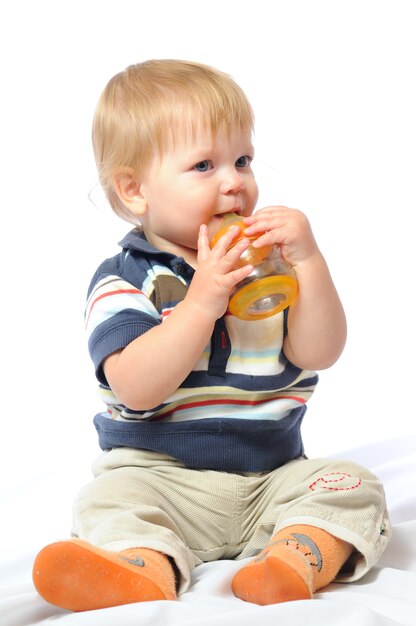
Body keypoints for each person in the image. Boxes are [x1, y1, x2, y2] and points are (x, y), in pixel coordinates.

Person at [32, 59, 390, 612]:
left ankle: (294, 557)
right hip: (160, 478)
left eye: (242, 160)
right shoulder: (128, 278)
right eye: (204, 165)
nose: (234, 181)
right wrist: (201, 302)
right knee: (110, 500)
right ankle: (142, 567)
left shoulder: (269, 267)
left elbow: (320, 352)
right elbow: (136, 388)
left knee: (351, 484)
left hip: (272, 476)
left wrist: (310, 262)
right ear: (135, 191)